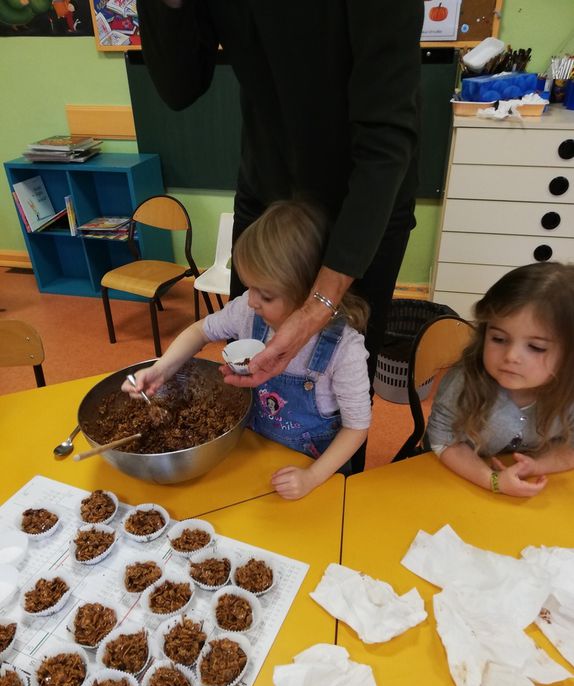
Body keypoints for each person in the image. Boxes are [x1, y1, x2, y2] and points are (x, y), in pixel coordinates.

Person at [137, 0, 424, 401]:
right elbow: (179, 86)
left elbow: (386, 142)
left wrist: (317, 307)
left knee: (336, 388)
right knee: (249, 373)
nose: (253, 303)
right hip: (269, 196)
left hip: (361, 207)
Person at [124, 201, 372, 500]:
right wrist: (162, 369)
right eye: (248, 286)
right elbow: (199, 331)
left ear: (307, 294)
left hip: (314, 471)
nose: (251, 300)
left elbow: (357, 428)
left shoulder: (344, 350)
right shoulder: (247, 311)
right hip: (252, 455)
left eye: (265, 294)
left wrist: (312, 477)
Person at [426, 262, 574, 498]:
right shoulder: (465, 380)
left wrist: (538, 466)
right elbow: (443, 441)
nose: (511, 357)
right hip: (461, 478)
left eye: (536, 347)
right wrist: (493, 480)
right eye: (498, 339)